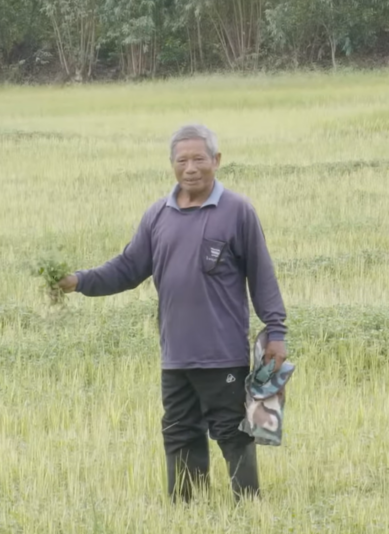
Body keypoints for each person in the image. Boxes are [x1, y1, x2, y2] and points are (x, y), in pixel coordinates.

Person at [58, 124, 287, 502]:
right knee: (179, 431)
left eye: (199, 158)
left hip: (222, 354)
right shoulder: (157, 215)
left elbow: (262, 276)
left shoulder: (237, 212)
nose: (191, 167)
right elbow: (128, 268)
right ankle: (187, 508)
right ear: (172, 165)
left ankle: (248, 507)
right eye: (182, 160)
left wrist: (276, 332)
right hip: (175, 356)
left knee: (233, 432)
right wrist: (78, 281)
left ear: (216, 161)